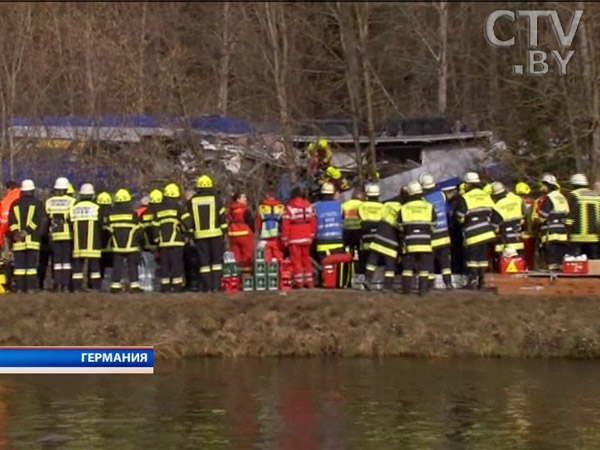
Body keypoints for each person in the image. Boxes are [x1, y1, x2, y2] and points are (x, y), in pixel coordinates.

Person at [456, 172, 496, 289]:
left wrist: (462, 221)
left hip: (473, 233)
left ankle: (473, 280)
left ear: (468, 184)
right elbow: (495, 213)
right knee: (483, 257)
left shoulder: (465, 197)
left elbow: (460, 215)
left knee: (472, 259)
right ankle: (482, 280)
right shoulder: (485, 195)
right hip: (486, 232)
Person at [187, 175, 227, 293]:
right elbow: (221, 217)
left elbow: (189, 219)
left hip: (199, 236)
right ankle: (215, 287)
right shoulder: (216, 198)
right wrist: (224, 232)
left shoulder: (192, 200)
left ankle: (207, 287)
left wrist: (190, 234)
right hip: (215, 235)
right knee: (216, 262)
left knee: (204, 263)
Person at [397, 180, 436, 296]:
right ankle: (422, 291)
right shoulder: (429, 206)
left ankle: (406, 291)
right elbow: (434, 224)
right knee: (424, 268)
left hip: (409, 242)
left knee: (407, 268)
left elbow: (399, 226)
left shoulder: (404, 208)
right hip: (425, 242)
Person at [8, 179, 46, 293]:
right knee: (31, 266)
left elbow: (11, 221)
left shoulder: (15, 203)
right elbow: (40, 220)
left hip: (17, 240)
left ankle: (20, 288)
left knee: (19, 267)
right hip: (32, 240)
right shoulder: (37, 204)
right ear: (32, 191)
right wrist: (27, 231)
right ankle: (31, 288)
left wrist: (16, 233)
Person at [154, 183, 190, 292]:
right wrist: (187, 234)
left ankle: (165, 286)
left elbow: (154, 227)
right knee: (176, 264)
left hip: (163, 242)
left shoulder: (159, 208)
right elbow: (187, 222)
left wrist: (157, 240)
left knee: (165, 264)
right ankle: (177, 286)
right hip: (176, 241)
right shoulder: (178, 207)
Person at [419, 173, 453, 290]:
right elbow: (447, 210)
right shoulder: (441, 195)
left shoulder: (422, 199)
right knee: (445, 261)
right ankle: (448, 282)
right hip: (444, 234)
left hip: (431, 235)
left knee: (430, 260)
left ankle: (430, 283)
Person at [106, 188, 142, 293]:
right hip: (131, 245)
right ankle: (134, 286)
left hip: (117, 245)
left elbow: (108, 229)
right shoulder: (132, 213)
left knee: (117, 265)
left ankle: (115, 286)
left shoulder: (111, 214)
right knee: (132, 265)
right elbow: (139, 229)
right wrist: (137, 240)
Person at [364, 192, 401, 291]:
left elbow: (380, 216)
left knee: (372, 260)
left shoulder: (387, 205)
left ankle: (367, 279)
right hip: (392, 240)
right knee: (390, 265)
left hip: (379, 235)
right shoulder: (403, 208)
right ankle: (387, 286)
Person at [281, 185, 316, 289]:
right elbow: (313, 221)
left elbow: (285, 224)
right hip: (306, 236)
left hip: (294, 237)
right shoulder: (309, 205)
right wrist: (311, 235)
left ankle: (299, 282)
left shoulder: (290, 207)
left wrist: (284, 238)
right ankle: (309, 282)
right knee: (306, 259)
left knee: (296, 260)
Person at [45, 177, 76, 292]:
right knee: (66, 261)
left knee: (57, 261)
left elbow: (48, 218)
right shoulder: (72, 202)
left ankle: (57, 285)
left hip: (54, 234)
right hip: (67, 234)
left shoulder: (49, 202)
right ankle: (66, 285)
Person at [70, 183, 103, 291]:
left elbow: (70, 224)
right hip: (93, 242)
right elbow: (101, 224)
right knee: (94, 267)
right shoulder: (97, 208)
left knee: (77, 267)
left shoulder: (74, 208)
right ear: (92, 195)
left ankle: (76, 287)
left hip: (78, 243)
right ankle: (95, 287)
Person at [538, 174, 569, 271]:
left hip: (550, 232)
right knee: (560, 260)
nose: (542, 188)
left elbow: (542, 217)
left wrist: (537, 223)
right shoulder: (562, 197)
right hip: (562, 232)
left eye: (543, 185)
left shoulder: (549, 198)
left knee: (551, 261)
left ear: (548, 185)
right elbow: (567, 212)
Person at [565, 173, 600, 259]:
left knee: (576, 262)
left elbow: (569, 215)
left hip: (577, 236)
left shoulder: (573, 195)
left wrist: (567, 230)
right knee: (594, 263)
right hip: (594, 236)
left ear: (573, 184)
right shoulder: (595, 195)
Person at [490, 181, 526, 265]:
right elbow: (526, 213)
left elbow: (495, 224)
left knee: (505, 264)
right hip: (518, 236)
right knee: (519, 262)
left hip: (504, 239)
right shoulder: (517, 198)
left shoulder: (498, 205)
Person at [312, 182, 344, 260]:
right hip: (338, 244)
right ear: (333, 194)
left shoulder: (315, 207)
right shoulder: (339, 206)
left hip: (321, 245)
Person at [357, 184, 384, 275]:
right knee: (377, 255)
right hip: (379, 231)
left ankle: (365, 275)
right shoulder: (382, 206)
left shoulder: (362, 206)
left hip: (366, 231)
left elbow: (360, 216)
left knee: (366, 254)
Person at [226, 191, 255, 274]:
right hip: (245, 235)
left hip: (232, 236)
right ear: (238, 199)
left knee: (236, 257)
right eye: (243, 197)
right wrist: (252, 231)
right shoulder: (244, 210)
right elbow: (251, 222)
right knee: (247, 257)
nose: (245, 199)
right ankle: (246, 277)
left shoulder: (229, 210)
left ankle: (236, 277)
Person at [256, 190, 285, 263]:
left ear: (267, 196)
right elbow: (284, 221)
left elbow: (258, 221)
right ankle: (281, 270)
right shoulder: (280, 207)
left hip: (265, 233)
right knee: (278, 253)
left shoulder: (261, 207)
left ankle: (269, 270)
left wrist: (260, 231)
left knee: (267, 255)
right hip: (277, 233)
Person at [515, 181, 535, 270]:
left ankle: (522, 268)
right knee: (530, 255)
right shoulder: (534, 201)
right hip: (531, 232)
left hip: (519, 232)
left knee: (519, 254)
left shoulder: (516, 201)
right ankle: (529, 268)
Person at [341, 187, 364, 260]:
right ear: (360, 196)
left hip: (346, 229)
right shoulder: (362, 204)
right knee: (358, 247)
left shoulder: (344, 204)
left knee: (347, 247)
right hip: (358, 229)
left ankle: (348, 259)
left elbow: (341, 217)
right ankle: (357, 260)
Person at [96, 191, 113, 283]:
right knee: (111, 267)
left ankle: (96, 284)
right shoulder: (113, 212)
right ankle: (110, 283)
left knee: (98, 267)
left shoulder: (95, 213)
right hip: (112, 246)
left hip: (98, 246)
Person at [0, 181, 20, 253]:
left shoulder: (4, 201)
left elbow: (2, 220)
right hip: (21, 229)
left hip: (6, 229)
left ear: (8, 189)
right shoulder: (21, 197)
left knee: (7, 252)